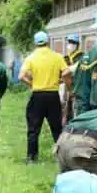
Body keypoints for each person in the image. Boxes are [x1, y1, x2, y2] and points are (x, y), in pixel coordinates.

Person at [18, 31, 68, 164]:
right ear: (48, 42)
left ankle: (32, 158)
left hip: (37, 95)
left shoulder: (31, 57)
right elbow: (67, 72)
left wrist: (32, 84)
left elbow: (21, 76)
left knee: (33, 128)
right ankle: (61, 157)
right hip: (53, 95)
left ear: (35, 43)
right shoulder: (57, 57)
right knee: (57, 128)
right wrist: (61, 82)